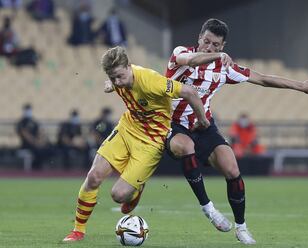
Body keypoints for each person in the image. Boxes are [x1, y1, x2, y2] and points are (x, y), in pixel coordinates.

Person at [164, 18, 308, 244]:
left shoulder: (224, 68)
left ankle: (241, 227)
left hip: (204, 124)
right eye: (206, 42)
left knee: (232, 169)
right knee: (186, 146)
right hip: (173, 123)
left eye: (215, 45)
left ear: (223, 47)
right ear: (199, 38)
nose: (209, 47)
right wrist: (214, 56)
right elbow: (190, 60)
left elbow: (262, 79)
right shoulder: (181, 54)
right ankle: (208, 209)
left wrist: (300, 86)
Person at [62, 46, 209, 242]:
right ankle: (78, 231)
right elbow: (116, 81)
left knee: (119, 196)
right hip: (127, 129)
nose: (117, 82)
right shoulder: (119, 79)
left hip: (152, 140)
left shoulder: (151, 81)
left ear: (129, 67)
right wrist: (112, 85)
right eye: (112, 78)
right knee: (94, 177)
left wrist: (203, 120)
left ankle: (136, 190)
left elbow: (190, 92)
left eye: (120, 77)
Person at [16, 103, 52, 170]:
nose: (28, 112)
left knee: (48, 148)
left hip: (35, 144)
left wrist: (41, 142)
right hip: (26, 145)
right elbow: (25, 135)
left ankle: (40, 166)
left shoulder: (34, 122)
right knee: (37, 150)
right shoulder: (21, 122)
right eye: (27, 110)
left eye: (29, 110)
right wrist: (36, 142)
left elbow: (40, 133)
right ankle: (35, 167)